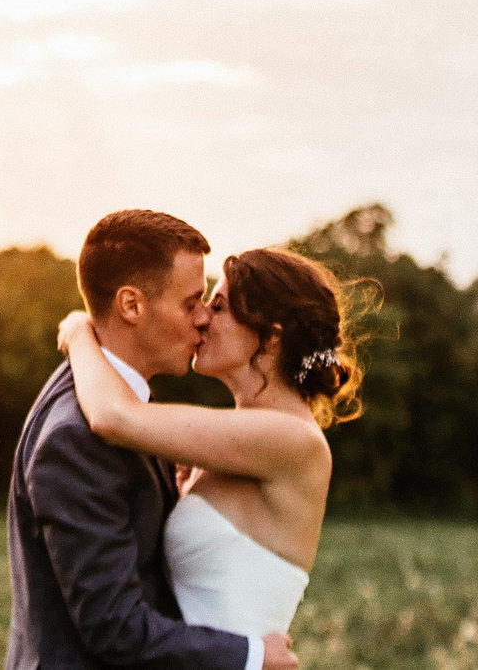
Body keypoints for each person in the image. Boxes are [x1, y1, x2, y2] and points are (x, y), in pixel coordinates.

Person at [6, 210, 303, 670]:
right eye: (191, 302)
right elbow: (114, 627)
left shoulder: (126, 405)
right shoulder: (76, 438)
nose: (204, 317)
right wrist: (250, 656)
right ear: (131, 306)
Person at [54, 240, 362, 647]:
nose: (200, 318)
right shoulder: (236, 437)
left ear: (270, 338)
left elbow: (113, 417)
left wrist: (79, 333)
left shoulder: (291, 438)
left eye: (218, 307)